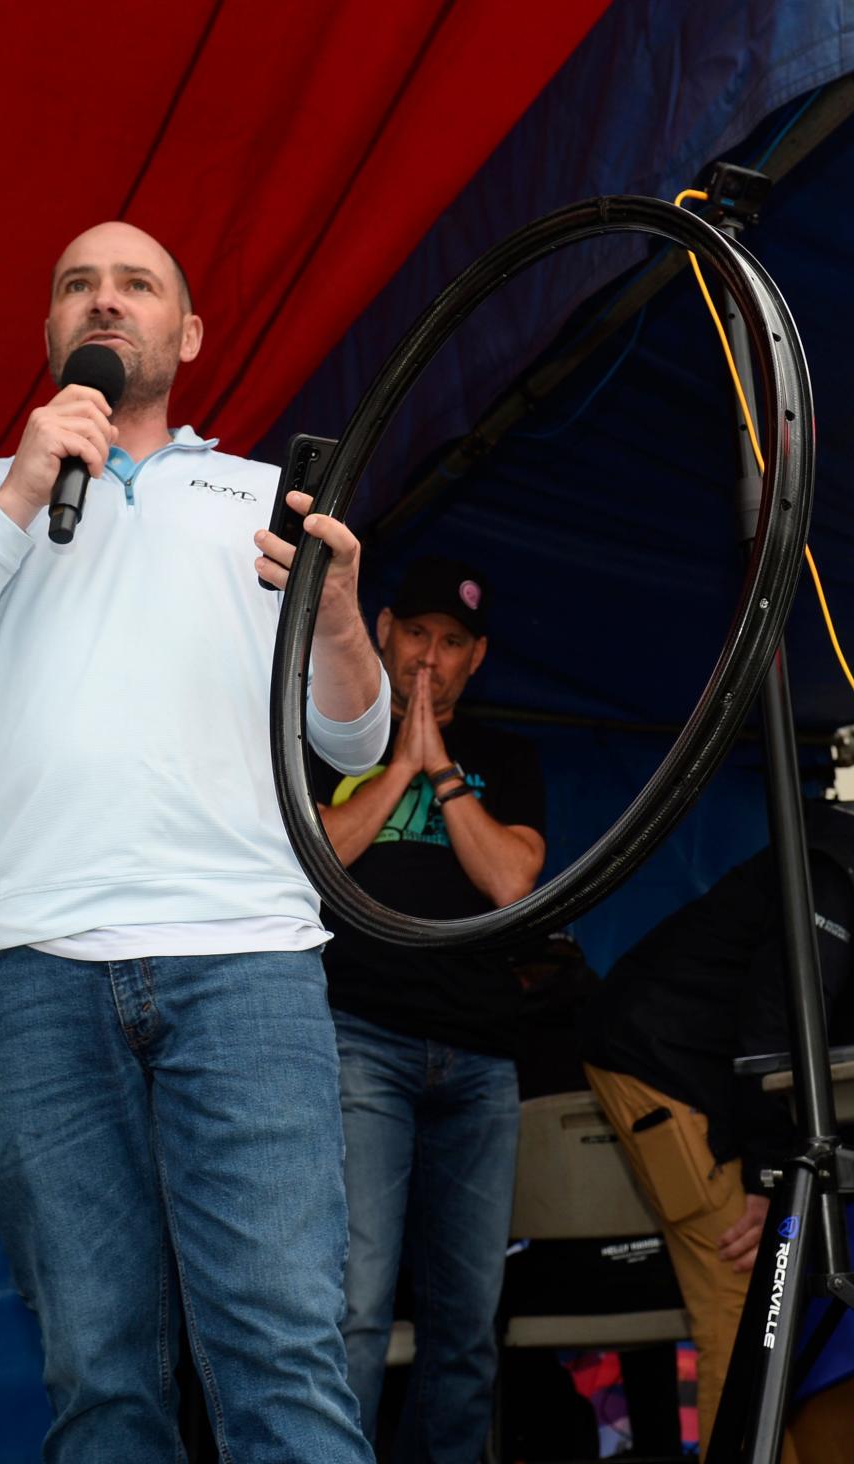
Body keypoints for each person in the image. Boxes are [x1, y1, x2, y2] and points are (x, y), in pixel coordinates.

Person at [0, 220, 390, 1463]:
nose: (105, 299)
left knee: (285, 1357)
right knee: (98, 1375)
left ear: (187, 334)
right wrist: (27, 486)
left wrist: (342, 614)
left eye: (137, 283)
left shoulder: (264, 497)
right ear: (50, 333)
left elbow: (355, 745)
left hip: (243, 957)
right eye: (77, 284)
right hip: (30, 969)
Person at [582, 794, 854, 1463]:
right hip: (666, 1061)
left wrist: (836, 1191)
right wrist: (772, 1179)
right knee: (753, 1296)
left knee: (821, 1312)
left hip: (763, 1088)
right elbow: (778, 1020)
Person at [309, 556, 546, 1461]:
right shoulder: (334, 743)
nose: (429, 658)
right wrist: (396, 764)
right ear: (381, 630)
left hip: (482, 1058)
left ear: (475, 659)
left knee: (468, 1322)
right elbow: (318, 863)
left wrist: (439, 770)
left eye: (452, 643)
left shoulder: (508, 758)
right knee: (358, 1307)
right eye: (416, 633)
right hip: (362, 1040)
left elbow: (511, 881)